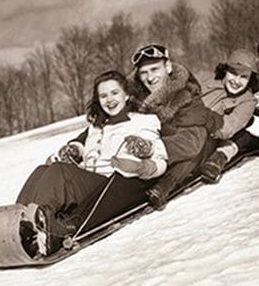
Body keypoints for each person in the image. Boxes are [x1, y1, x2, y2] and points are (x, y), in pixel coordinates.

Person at [16, 70, 168, 256]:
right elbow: (86, 148)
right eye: (103, 95)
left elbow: (160, 157)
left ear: (126, 95)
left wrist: (144, 152)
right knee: (42, 170)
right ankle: (17, 221)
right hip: (89, 180)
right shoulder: (96, 127)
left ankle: (40, 226)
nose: (109, 100)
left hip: (111, 185)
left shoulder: (143, 121)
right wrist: (75, 150)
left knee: (60, 172)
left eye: (115, 93)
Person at [123, 44, 223, 209]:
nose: (150, 77)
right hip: (151, 157)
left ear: (168, 67)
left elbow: (191, 143)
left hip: (181, 154)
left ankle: (167, 184)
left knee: (199, 140)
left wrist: (151, 148)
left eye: (155, 69)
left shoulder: (187, 95)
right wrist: (79, 144)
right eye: (144, 72)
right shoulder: (135, 99)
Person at [200, 36, 259, 182]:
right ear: (257, 58)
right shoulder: (242, 72)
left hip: (253, 123)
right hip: (224, 118)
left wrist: (246, 120)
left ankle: (222, 154)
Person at [199, 49, 257, 181]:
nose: (237, 81)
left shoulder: (247, 101)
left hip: (204, 140)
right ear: (225, 70)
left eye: (244, 77)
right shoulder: (208, 83)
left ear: (250, 79)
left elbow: (228, 128)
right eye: (233, 73)